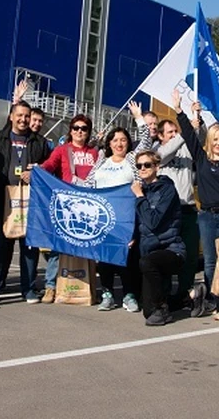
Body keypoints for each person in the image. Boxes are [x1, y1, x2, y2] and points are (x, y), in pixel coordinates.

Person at [173, 90, 219, 321]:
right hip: (205, 215)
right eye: (215, 139)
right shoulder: (201, 158)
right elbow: (188, 135)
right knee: (210, 261)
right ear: (210, 141)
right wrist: (179, 111)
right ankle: (213, 299)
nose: (218, 143)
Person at [86, 101, 152, 312]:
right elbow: (88, 183)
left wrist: (138, 117)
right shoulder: (101, 160)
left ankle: (129, 294)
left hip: (126, 217)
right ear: (109, 143)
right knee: (105, 258)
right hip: (103, 217)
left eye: (123, 140)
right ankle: (107, 293)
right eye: (115, 140)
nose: (119, 143)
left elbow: (147, 141)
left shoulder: (132, 159)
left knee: (127, 257)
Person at [0, 100, 52, 303]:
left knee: (29, 247)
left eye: (26, 116)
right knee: (0, 247)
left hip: (30, 202)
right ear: (11, 116)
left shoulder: (39, 142)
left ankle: (28, 289)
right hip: (3, 200)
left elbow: (48, 168)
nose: (23, 119)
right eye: (20, 115)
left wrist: (36, 172)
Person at [39, 114, 99, 303]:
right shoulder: (62, 150)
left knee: (87, 248)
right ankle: (50, 287)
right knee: (59, 247)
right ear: (70, 130)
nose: (79, 131)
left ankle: (86, 287)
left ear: (89, 132)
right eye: (76, 128)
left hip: (88, 206)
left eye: (84, 128)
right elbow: (49, 165)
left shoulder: (95, 153)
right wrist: (38, 170)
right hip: (67, 204)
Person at [133, 151, 187, 326]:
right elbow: (137, 221)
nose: (143, 168)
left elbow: (153, 221)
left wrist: (140, 196)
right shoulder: (141, 190)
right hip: (149, 252)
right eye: (139, 165)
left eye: (147, 165)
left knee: (147, 263)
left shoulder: (167, 190)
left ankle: (163, 311)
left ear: (157, 167)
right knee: (147, 311)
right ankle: (190, 297)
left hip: (171, 250)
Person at [154, 114, 201, 313]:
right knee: (166, 253)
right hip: (168, 211)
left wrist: (197, 123)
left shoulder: (187, 151)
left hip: (188, 208)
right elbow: (163, 155)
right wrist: (184, 131)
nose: (174, 136)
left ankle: (183, 293)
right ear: (161, 136)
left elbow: (198, 141)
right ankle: (162, 294)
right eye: (170, 133)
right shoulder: (158, 151)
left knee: (190, 255)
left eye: (176, 132)